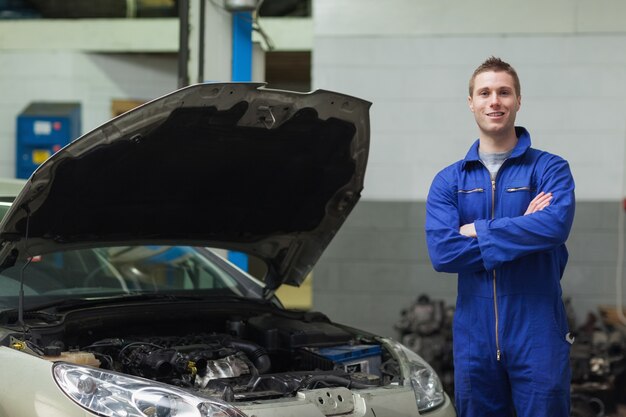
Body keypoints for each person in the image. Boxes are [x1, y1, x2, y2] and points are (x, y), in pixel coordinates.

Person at [425, 56, 575, 417]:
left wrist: (479, 229)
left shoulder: (549, 169)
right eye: (485, 92)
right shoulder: (450, 181)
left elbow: (554, 227)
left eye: (504, 92)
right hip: (473, 337)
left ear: (518, 101)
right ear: (471, 102)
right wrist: (524, 228)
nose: (495, 101)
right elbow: (444, 253)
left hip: (538, 330)